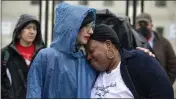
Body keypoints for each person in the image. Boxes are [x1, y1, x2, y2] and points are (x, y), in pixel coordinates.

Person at [26, 3, 155, 99]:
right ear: (73, 26)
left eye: (92, 27)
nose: (91, 31)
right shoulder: (46, 56)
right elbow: (33, 93)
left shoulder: (86, 59)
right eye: (87, 26)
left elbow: (115, 67)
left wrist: (140, 56)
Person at [86, 24, 174, 98]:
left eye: (91, 51)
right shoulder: (92, 72)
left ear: (108, 45)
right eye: (87, 54)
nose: (88, 57)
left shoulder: (141, 62)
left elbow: (164, 93)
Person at [1, 14, 44, 98]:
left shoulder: (42, 53)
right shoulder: (6, 53)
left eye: (35, 29)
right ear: (19, 32)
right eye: (28, 28)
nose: (32, 32)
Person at [136, 13, 176, 85]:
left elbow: (173, 65)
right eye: (140, 24)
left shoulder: (164, 43)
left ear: (151, 25)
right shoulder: (130, 41)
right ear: (136, 26)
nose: (143, 27)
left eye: (146, 24)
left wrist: (167, 84)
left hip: (159, 86)